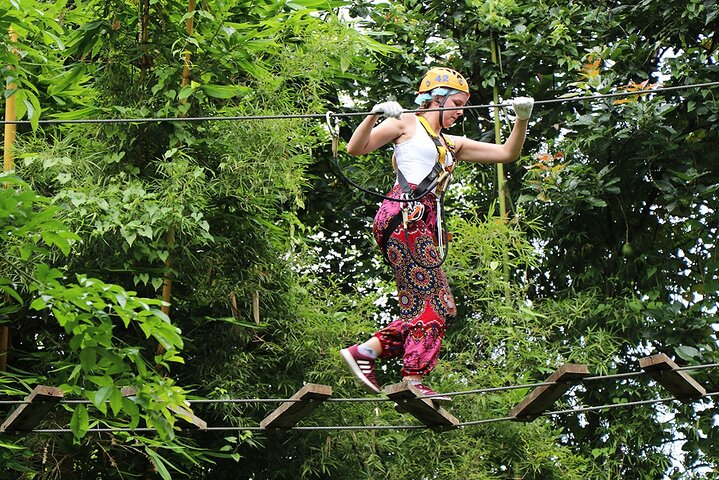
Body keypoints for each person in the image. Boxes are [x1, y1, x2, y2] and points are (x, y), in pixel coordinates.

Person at [340, 67, 533, 402]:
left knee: (442, 307)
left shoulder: (452, 144)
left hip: (424, 222)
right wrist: (373, 115)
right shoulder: (406, 123)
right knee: (430, 302)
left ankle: (367, 351)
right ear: (436, 99)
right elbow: (356, 149)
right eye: (456, 103)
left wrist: (521, 119)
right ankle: (413, 377)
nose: (460, 111)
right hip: (404, 213)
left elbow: (506, 153)